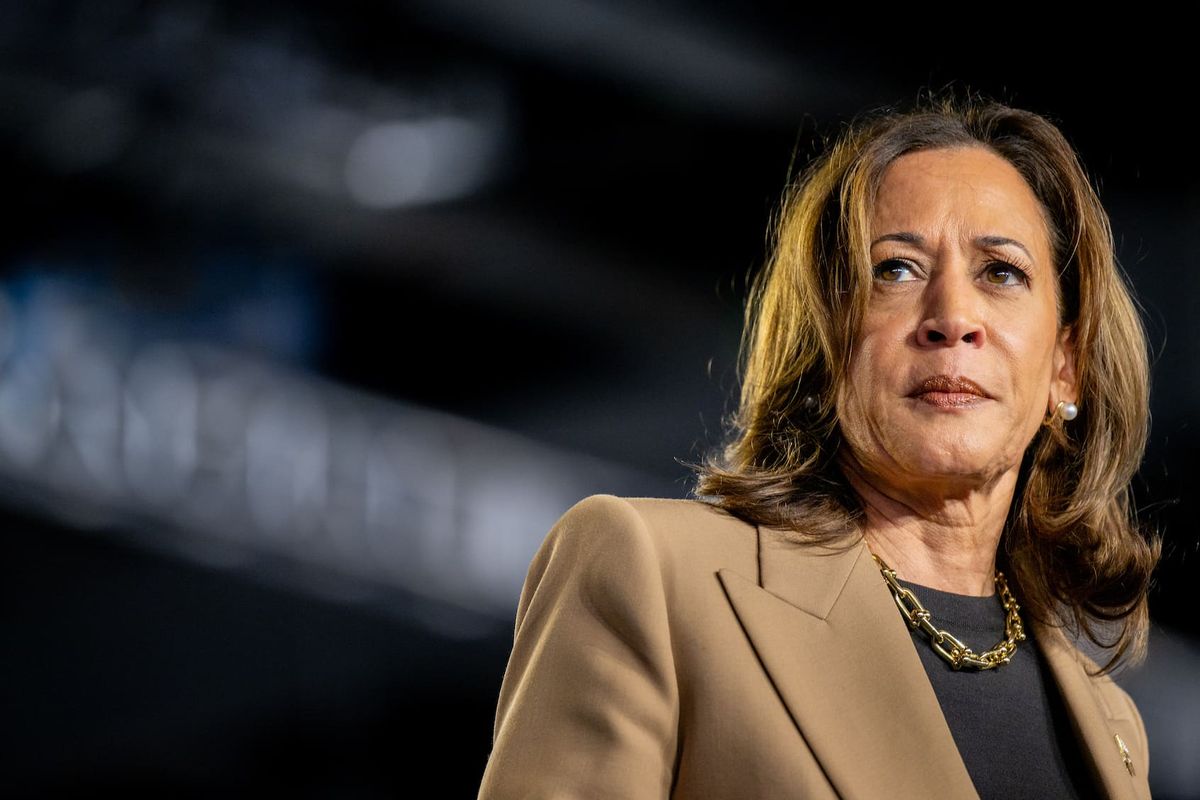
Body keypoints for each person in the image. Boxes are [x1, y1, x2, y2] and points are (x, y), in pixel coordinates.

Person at [477, 94, 1160, 800]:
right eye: (895, 269)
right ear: (823, 342)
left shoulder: (1112, 727)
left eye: (1001, 272)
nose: (953, 317)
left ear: (1065, 367)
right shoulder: (651, 571)